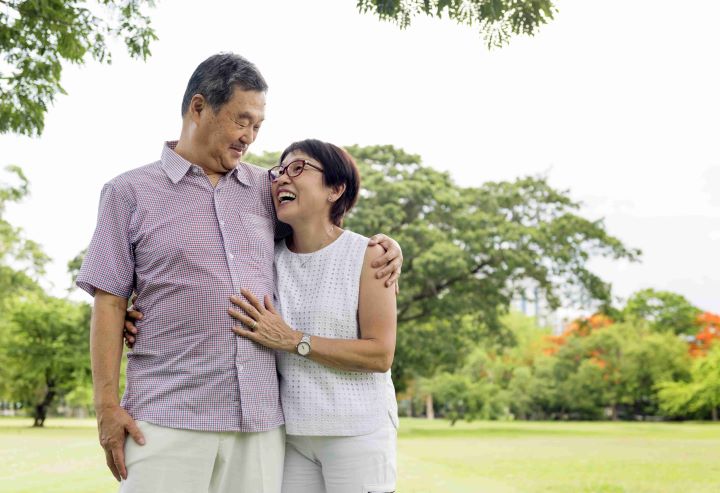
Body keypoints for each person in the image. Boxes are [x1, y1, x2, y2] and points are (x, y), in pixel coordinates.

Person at [76, 53, 402, 493]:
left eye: (258, 126)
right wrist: (106, 407)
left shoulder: (264, 190)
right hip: (166, 416)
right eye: (241, 121)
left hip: (261, 425)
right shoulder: (128, 192)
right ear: (198, 108)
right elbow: (109, 301)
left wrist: (385, 246)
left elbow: (320, 231)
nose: (249, 136)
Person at [227, 139, 398, 493]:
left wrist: (294, 341)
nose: (281, 179)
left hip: (358, 432)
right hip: (290, 434)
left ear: (336, 189)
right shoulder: (264, 257)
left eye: (298, 168)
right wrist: (139, 311)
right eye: (279, 171)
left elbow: (380, 354)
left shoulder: (370, 255)